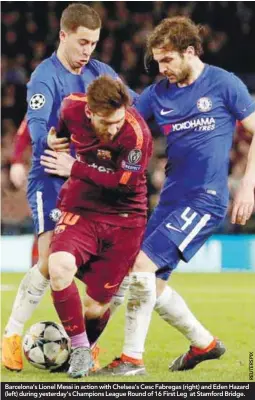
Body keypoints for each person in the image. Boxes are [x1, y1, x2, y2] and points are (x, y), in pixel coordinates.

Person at [99, 16, 255, 376]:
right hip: (170, 200)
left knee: (139, 267)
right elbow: (125, 125)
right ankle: (204, 344)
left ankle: (132, 360)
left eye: (168, 60)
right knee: (148, 282)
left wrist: (247, 186)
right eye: (157, 61)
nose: (162, 68)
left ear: (190, 51)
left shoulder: (223, 84)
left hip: (205, 199)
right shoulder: (158, 94)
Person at [2, 2, 136, 372]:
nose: (87, 51)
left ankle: (84, 343)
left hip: (90, 183)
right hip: (51, 178)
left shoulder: (100, 73)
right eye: (81, 43)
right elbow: (36, 122)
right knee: (49, 261)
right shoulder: (45, 77)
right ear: (63, 35)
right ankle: (11, 337)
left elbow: (132, 109)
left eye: (93, 43)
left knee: (105, 273)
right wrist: (45, 139)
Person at [40, 75, 152, 378]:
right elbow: (61, 129)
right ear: (90, 112)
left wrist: (74, 167)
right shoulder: (71, 108)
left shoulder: (136, 135)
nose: (115, 128)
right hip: (82, 208)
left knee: (95, 308)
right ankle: (78, 349)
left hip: (125, 218)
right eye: (107, 122)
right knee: (58, 266)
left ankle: (84, 349)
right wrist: (54, 139)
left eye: (118, 121)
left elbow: (123, 186)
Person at [9, 118, 39, 266]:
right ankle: (35, 278)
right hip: (50, 176)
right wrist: (17, 161)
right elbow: (26, 126)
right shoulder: (44, 99)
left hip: (83, 173)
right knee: (44, 228)